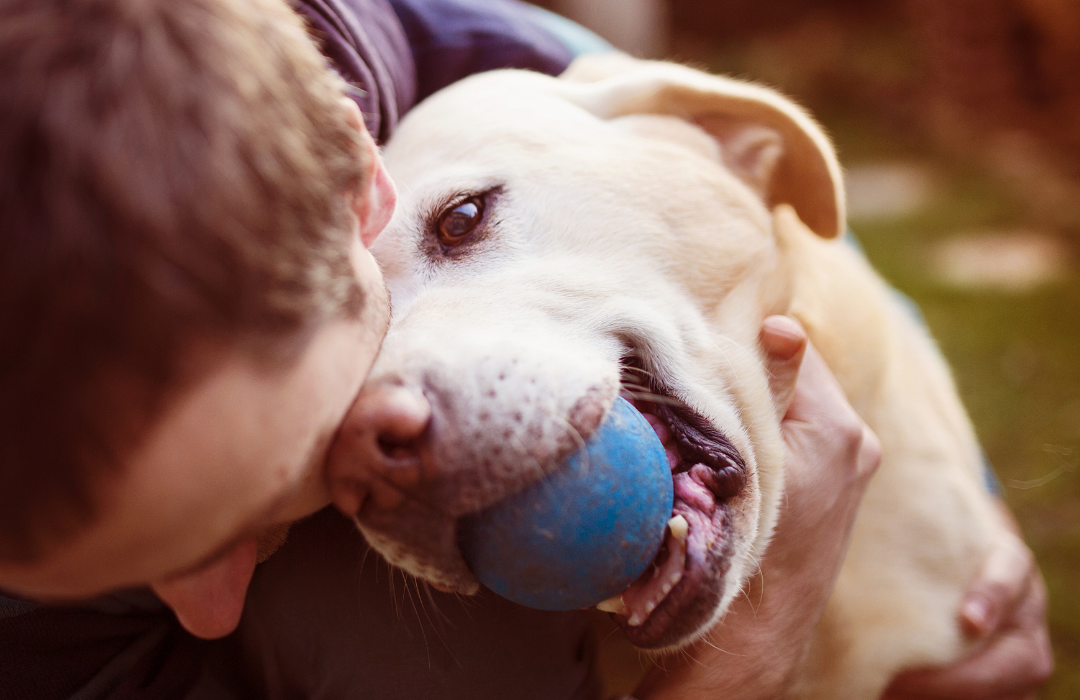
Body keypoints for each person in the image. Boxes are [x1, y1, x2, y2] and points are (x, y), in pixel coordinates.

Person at [0, 0, 1051, 698]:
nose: (210, 607)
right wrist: (740, 669)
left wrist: (967, 501)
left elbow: (750, 208)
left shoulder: (504, 68)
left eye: (459, 227)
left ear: (356, 186)